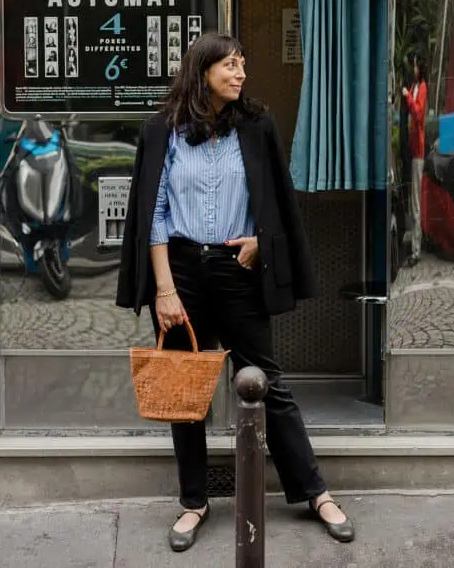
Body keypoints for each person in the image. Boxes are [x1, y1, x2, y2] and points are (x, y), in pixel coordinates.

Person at [117, 32, 354, 552]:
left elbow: (276, 201)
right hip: (180, 272)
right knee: (184, 392)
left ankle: (315, 492)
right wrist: (164, 290)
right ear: (202, 71)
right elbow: (153, 214)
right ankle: (194, 502)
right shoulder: (162, 130)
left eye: (243, 63)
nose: (241, 72)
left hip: (237, 269)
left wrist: (260, 242)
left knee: (268, 383)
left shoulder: (255, 125)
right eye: (230, 64)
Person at [402, 54, 428, 267]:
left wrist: (407, 97)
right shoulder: (415, 86)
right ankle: (414, 246)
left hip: (418, 151)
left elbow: (418, 114)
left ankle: (416, 251)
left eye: (415, 65)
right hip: (413, 149)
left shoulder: (422, 87)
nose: (414, 68)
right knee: (413, 202)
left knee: (416, 202)